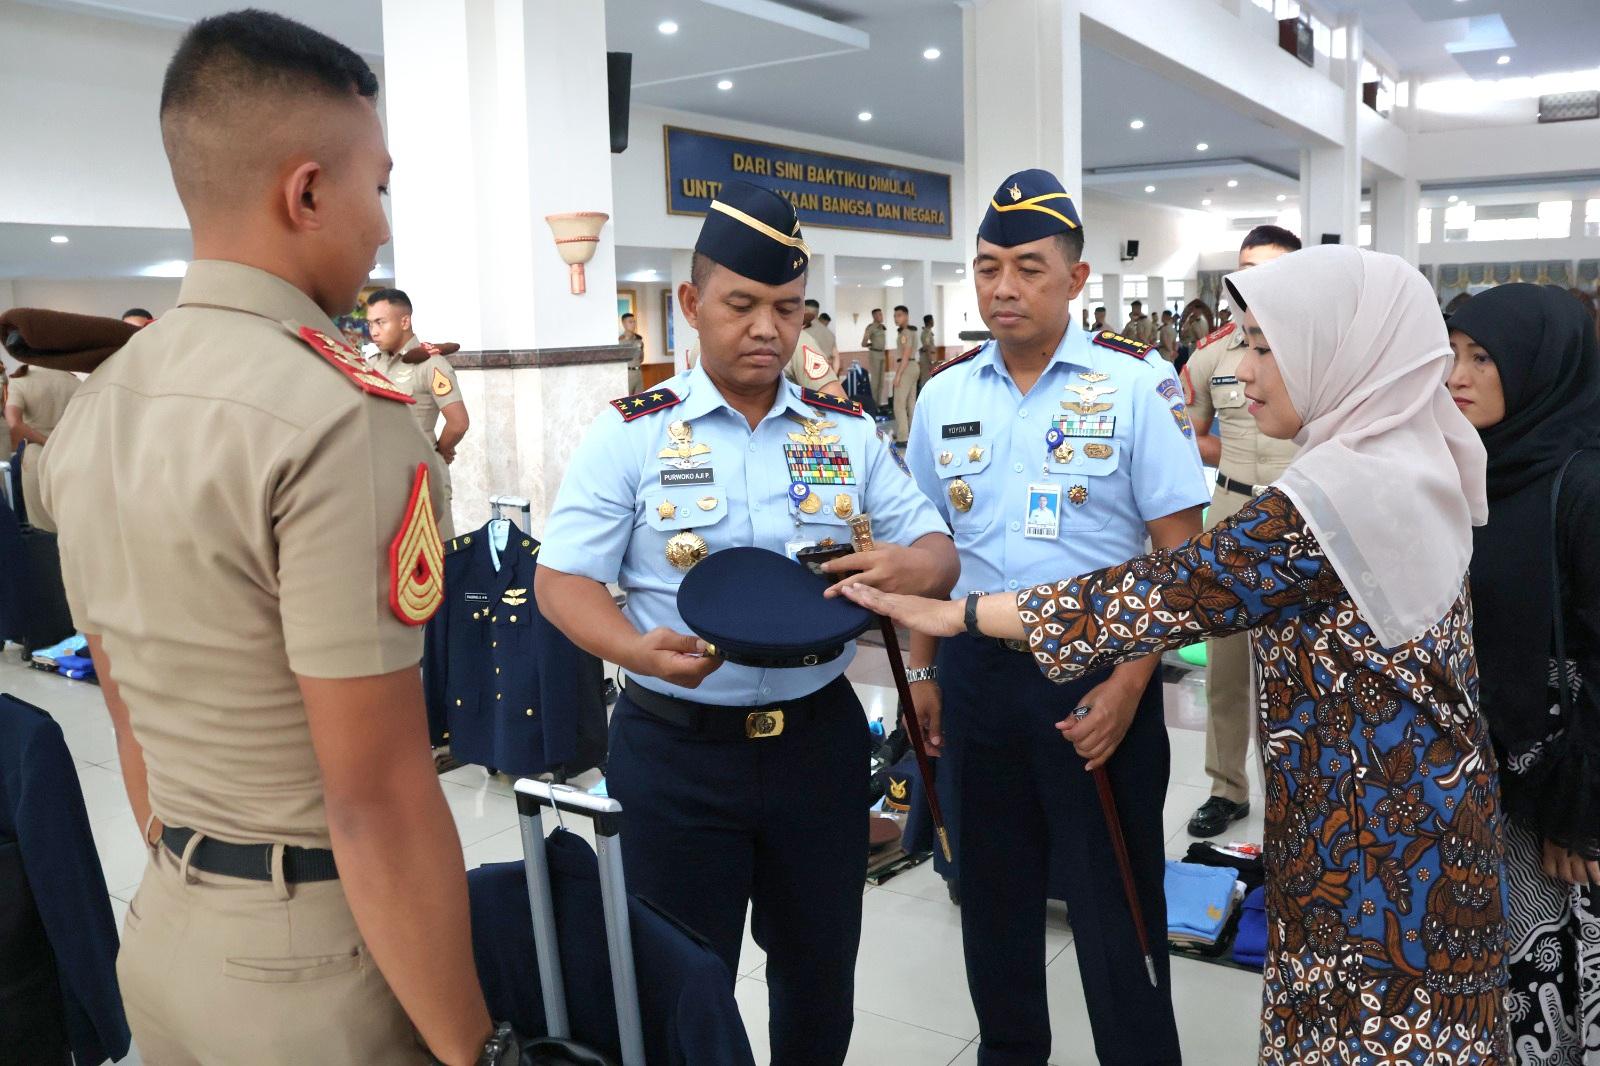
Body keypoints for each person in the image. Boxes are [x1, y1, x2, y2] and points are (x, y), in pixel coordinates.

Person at [850, 245, 1511, 1065]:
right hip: (1396, 817)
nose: (1242, 371)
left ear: (1343, 353)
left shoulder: (1337, 495)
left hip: (1379, 847)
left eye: (1268, 347)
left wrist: (959, 615)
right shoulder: (1400, 457)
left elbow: (1167, 589)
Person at [35, 12, 510, 1064]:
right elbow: (377, 797)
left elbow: (122, 700)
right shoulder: (346, 419)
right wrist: (476, 1050)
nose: (383, 226)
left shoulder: (101, 404)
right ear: (305, 192)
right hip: (316, 981)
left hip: (165, 935)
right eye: (376, 188)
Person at [534, 179, 956, 1066]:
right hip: (675, 751)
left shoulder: (845, 432)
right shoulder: (632, 434)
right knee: (679, 982)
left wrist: (906, 566)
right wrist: (626, 645)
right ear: (691, 305)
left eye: (789, 308)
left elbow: (934, 546)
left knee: (818, 976)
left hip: (818, 745)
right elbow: (561, 581)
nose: (768, 328)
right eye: (743, 304)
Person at [900, 168, 1208, 1066]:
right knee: (990, 905)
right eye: (989, 266)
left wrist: (1127, 684)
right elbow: (932, 552)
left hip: (1098, 683)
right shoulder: (945, 395)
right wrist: (921, 672)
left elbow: (1176, 562)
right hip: (977, 682)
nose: (1004, 287)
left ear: (1076, 279)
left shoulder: (1132, 384)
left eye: (1029, 268)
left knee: (1117, 911)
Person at [1448, 283, 1600, 1063]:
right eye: (1454, 352)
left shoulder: (1582, 483)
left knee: (1561, 995)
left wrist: (1583, 816)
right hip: (1494, 788)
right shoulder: (1474, 470)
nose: (1457, 375)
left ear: (1543, 367)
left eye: (1483, 358)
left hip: (1565, 801)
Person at [1180, 223, 1303, 839]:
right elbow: (1190, 427)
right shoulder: (1212, 355)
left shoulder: (1319, 348)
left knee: (1303, 662)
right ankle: (1228, 788)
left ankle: (1302, 788)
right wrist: (1223, 456)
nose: (1254, 282)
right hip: (1231, 510)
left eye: (1271, 269)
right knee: (1227, 663)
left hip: (1303, 512)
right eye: (1246, 270)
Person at [367, 287, 468, 540]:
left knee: (436, 558)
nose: (374, 331)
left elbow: (458, 423)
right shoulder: (372, 364)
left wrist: (440, 452)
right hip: (381, 476)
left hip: (422, 477)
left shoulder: (431, 364)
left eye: (380, 322)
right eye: (370, 324)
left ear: (404, 321)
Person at [5, 361, 80, 532]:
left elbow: (14, 423)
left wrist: (47, 442)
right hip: (72, 454)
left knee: (38, 525)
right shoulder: (74, 382)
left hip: (37, 456)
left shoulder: (21, 381)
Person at [890, 304, 920, 444]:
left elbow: (906, 356)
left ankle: (903, 436)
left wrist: (898, 375)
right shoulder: (909, 331)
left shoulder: (906, 333)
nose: (896, 318)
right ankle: (913, 434)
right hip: (913, 366)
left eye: (899, 315)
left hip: (907, 367)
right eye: (895, 316)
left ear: (906, 316)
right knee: (911, 402)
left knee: (899, 403)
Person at [861, 307, 888, 405]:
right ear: (874, 316)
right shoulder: (871, 327)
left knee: (881, 382)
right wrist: (870, 345)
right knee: (875, 381)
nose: (881, 316)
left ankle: (878, 403)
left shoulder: (882, 327)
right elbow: (863, 343)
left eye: (881, 314)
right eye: (879, 315)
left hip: (882, 354)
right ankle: (873, 404)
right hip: (875, 354)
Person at [619, 310, 645, 393]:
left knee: (639, 400)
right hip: (626, 374)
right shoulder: (619, 341)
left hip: (638, 373)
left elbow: (641, 359)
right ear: (623, 324)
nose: (633, 324)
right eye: (630, 322)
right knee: (626, 401)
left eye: (634, 322)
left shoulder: (639, 340)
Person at [811, 305, 840, 372]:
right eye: (824, 323)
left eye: (827, 324)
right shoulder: (808, 331)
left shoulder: (829, 334)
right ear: (820, 319)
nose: (825, 326)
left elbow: (835, 356)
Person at [919, 312, 937, 380]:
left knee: (929, 378)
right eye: (932, 320)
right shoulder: (926, 333)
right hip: (927, 359)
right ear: (929, 321)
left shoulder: (929, 332)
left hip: (929, 357)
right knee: (926, 378)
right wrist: (931, 361)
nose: (933, 322)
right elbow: (927, 348)